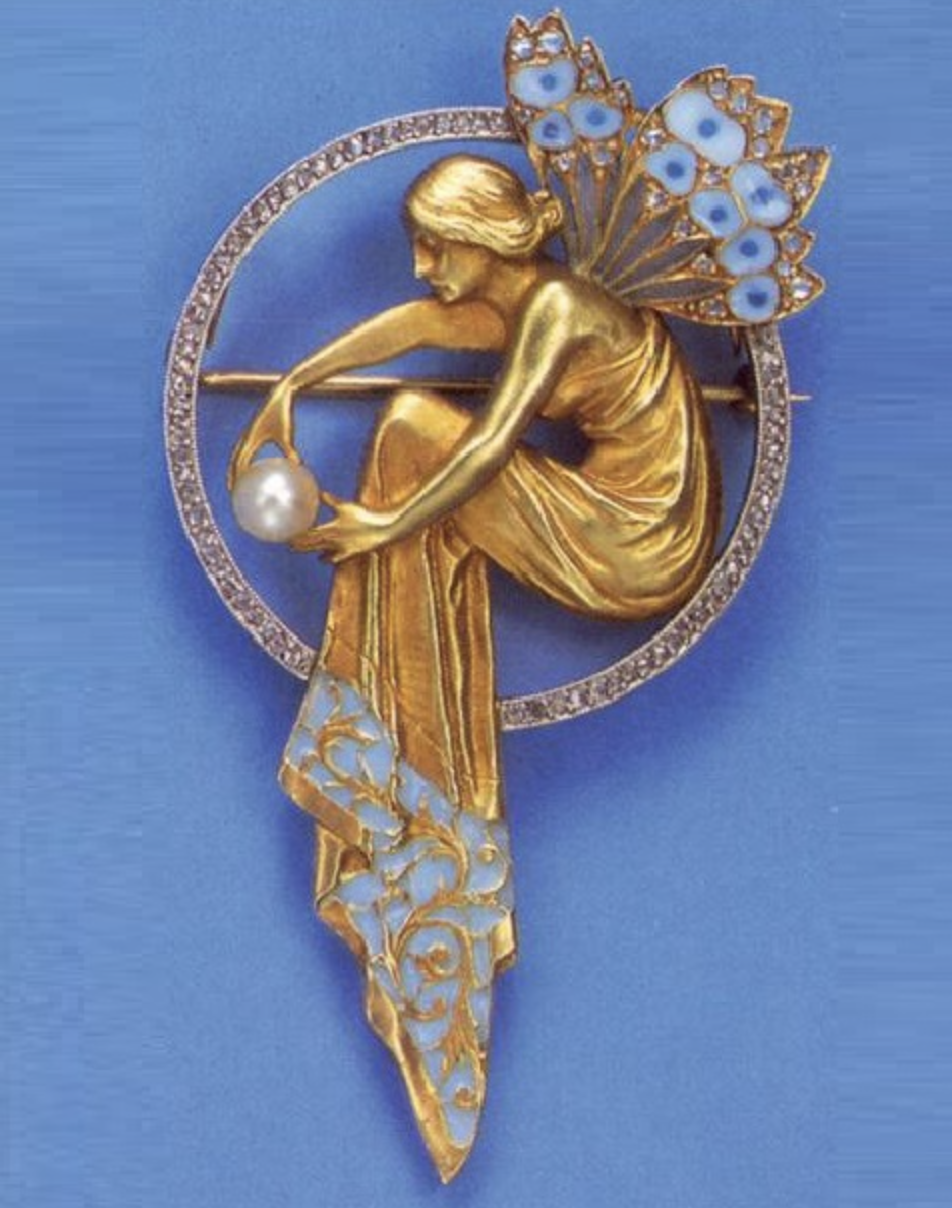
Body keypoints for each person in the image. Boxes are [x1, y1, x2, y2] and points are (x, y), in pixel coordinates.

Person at [228, 152, 721, 1172]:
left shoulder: (560, 309)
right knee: (410, 419)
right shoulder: (528, 302)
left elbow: (491, 441)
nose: (421, 266)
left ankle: (391, 722)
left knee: (414, 426)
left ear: (489, 241)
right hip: (616, 519)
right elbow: (419, 328)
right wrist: (294, 382)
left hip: (641, 540)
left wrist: (385, 525)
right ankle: (397, 717)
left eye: (436, 246)